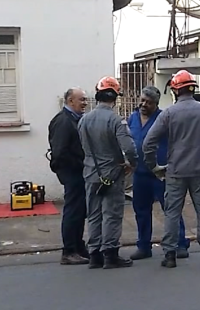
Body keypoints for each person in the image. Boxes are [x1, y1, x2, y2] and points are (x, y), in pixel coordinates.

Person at [143, 69, 200, 269]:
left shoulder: (168, 113)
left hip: (175, 171)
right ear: (192, 88)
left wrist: (155, 167)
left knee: (172, 213)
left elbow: (148, 143)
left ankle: (170, 255)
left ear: (175, 91)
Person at [78, 76, 138, 269]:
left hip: (90, 173)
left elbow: (83, 147)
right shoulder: (115, 120)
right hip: (112, 174)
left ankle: (95, 255)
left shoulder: (84, 120)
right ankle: (110, 254)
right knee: (111, 214)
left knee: (94, 214)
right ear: (115, 97)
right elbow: (128, 147)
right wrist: (132, 163)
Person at [127, 86, 191, 261]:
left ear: (155, 104)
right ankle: (144, 246)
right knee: (141, 210)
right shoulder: (132, 118)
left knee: (170, 209)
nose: (143, 104)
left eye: (148, 102)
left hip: (160, 172)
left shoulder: (164, 118)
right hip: (139, 173)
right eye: (142, 100)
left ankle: (180, 244)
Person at [48, 87, 90, 265]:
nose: (84, 103)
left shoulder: (74, 119)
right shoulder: (64, 122)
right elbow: (60, 152)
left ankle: (78, 247)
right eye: (81, 100)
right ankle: (69, 250)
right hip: (72, 173)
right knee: (73, 211)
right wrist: (79, 166)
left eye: (85, 100)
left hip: (77, 172)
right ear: (70, 101)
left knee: (80, 211)